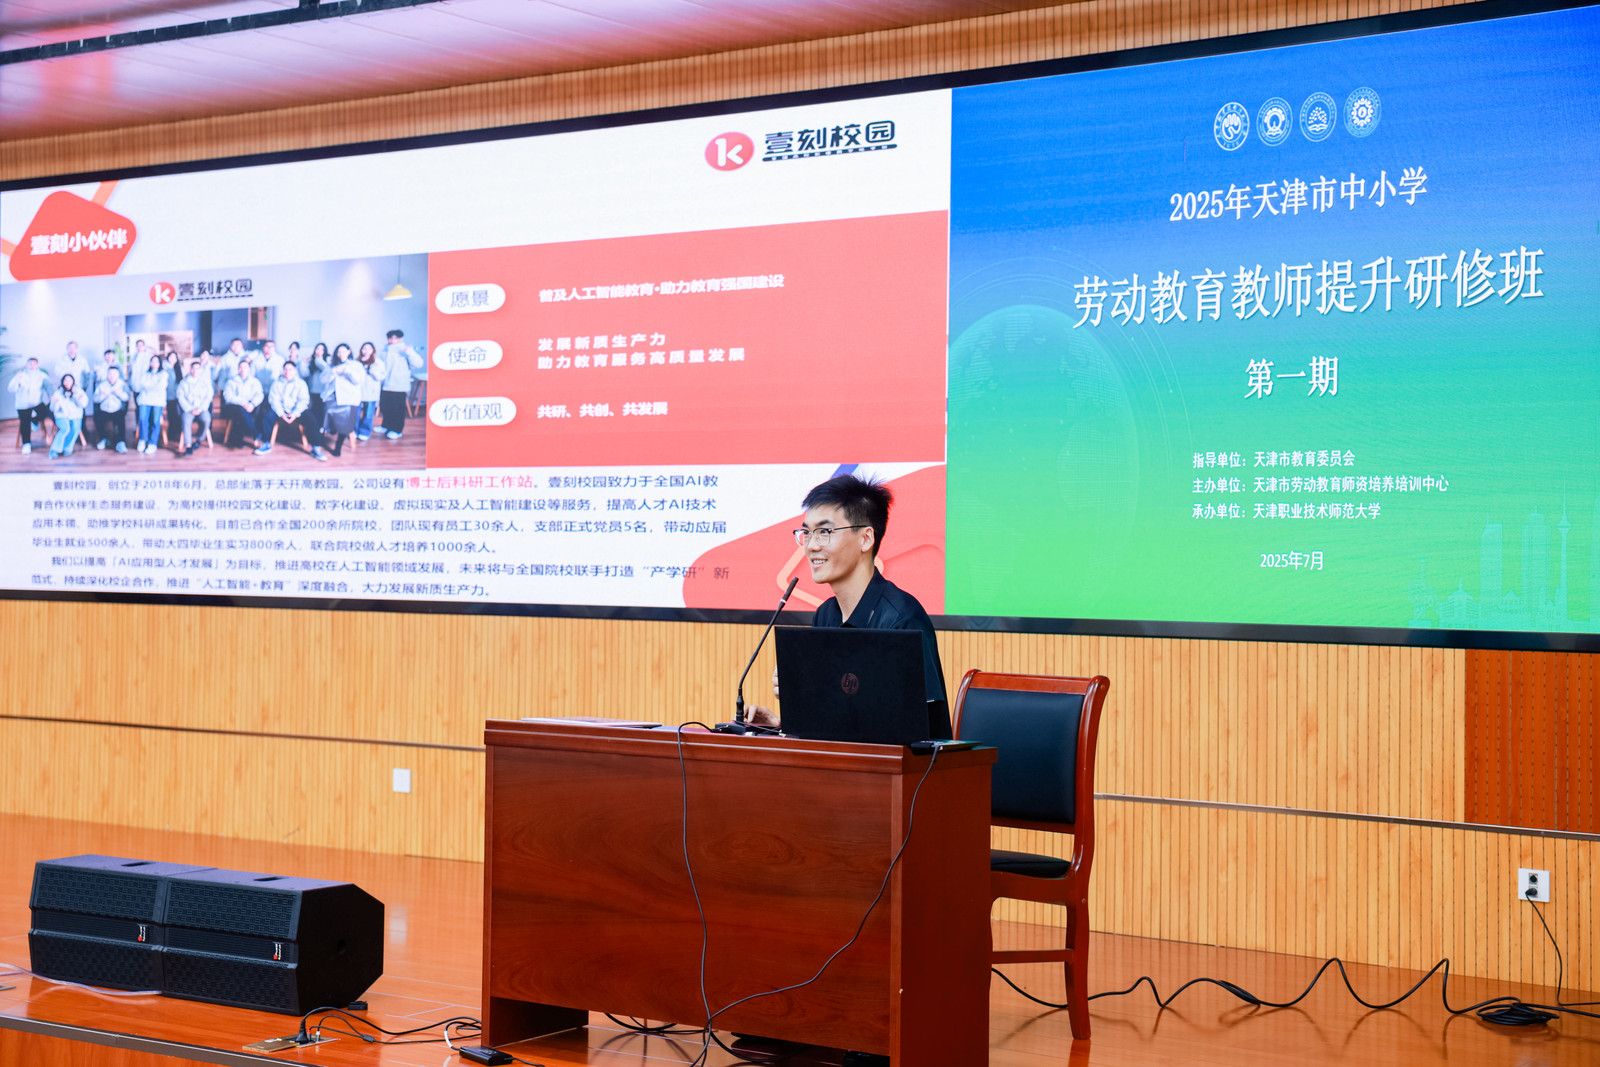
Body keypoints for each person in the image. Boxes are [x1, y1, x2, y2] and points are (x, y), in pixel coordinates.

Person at [749, 474, 949, 736]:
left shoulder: (902, 619)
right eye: (806, 533)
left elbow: (921, 733)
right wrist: (783, 724)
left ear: (866, 538)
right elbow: (838, 716)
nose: (811, 546)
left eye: (824, 532)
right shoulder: (825, 616)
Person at [313, 345, 363, 461]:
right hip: (332, 398)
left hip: (348, 399)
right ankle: (319, 443)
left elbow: (358, 381)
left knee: (345, 424)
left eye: (343, 351)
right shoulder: (331, 364)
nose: (341, 353)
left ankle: (338, 446)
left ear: (349, 352)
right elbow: (323, 379)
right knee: (324, 420)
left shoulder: (355, 365)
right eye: (339, 351)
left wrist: (346, 371)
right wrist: (333, 372)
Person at [379, 329, 424, 439]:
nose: (392, 340)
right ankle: (386, 426)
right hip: (386, 384)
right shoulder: (385, 350)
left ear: (400, 339)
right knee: (385, 406)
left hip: (399, 385)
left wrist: (410, 352)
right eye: (390, 338)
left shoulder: (406, 350)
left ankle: (397, 430)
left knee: (397, 409)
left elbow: (419, 364)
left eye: (394, 338)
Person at [259, 359, 309, 455]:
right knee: (267, 417)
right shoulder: (276, 383)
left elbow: (303, 400)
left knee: (310, 418)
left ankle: (316, 448)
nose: (287, 372)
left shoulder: (301, 383)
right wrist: (281, 414)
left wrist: (295, 414)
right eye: (285, 369)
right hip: (281, 410)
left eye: (290, 369)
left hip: (295, 411)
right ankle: (266, 444)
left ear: (295, 371)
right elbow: (274, 400)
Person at [8, 356, 51, 455]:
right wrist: (17, 380)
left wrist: (52, 396)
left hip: (37, 402)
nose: (32, 366)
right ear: (26, 365)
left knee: (48, 411)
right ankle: (26, 444)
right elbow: (11, 389)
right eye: (30, 364)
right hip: (23, 404)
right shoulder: (20, 375)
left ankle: (34, 421)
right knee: (25, 422)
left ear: (37, 365)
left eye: (34, 364)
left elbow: (49, 387)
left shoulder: (42, 375)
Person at [222, 356, 265, 448]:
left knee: (246, 412)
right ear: (238, 369)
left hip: (250, 406)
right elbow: (228, 397)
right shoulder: (231, 381)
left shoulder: (255, 381)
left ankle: (237, 439)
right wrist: (243, 403)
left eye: (245, 367)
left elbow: (259, 395)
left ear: (249, 369)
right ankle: (256, 435)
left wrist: (252, 404)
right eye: (241, 367)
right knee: (240, 410)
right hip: (234, 407)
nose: (243, 369)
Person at [48, 373, 90, 458]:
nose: (67, 382)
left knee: (75, 429)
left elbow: (83, 404)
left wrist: (76, 396)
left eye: (69, 380)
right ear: (62, 382)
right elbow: (52, 408)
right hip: (62, 416)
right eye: (65, 380)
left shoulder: (78, 391)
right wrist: (55, 403)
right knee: (65, 429)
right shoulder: (58, 392)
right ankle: (54, 450)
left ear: (73, 382)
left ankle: (67, 448)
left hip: (76, 416)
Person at [134, 353, 169, 454]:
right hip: (144, 400)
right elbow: (141, 384)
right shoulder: (145, 373)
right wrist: (153, 386)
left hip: (157, 401)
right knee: (142, 419)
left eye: (156, 361)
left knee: (155, 421)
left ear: (160, 363)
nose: (154, 363)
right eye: (152, 361)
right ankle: (143, 440)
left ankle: (152, 443)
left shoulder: (164, 374)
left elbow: (161, 386)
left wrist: (148, 386)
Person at [177, 360, 213, 456]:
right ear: (190, 370)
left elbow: (208, 396)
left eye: (198, 369)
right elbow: (180, 397)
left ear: (201, 370)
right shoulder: (183, 382)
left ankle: (199, 440)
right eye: (194, 368)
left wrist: (201, 408)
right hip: (189, 409)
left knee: (207, 419)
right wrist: (190, 409)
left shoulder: (205, 382)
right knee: (186, 420)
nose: (196, 371)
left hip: (201, 408)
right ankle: (188, 446)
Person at [94, 364, 131, 453]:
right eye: (110, 374)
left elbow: (127, 397)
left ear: (118, 375)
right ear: (107, 374)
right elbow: (95, 399)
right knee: (97, 419)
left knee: (120, 421)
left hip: (117, 409)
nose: (112, 376)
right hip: (104, 409)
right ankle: (104, 439)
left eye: (114, 374)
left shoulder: (122, 384)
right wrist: (103, 396)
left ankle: (120, 442)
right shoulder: (102, 385)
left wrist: (118, 393)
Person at [354, 341, 382, 441]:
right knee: (355, 414)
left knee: (368, 414)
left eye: (369, 348)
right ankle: (354, 431)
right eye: (364, 348)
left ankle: (364, 432)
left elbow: (380, 377)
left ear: (373, 350)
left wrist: (371, 369)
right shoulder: (356, 361)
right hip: (357, 392)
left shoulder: (378, 362)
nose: (366, 350)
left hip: (371, 392)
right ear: (361, 350)